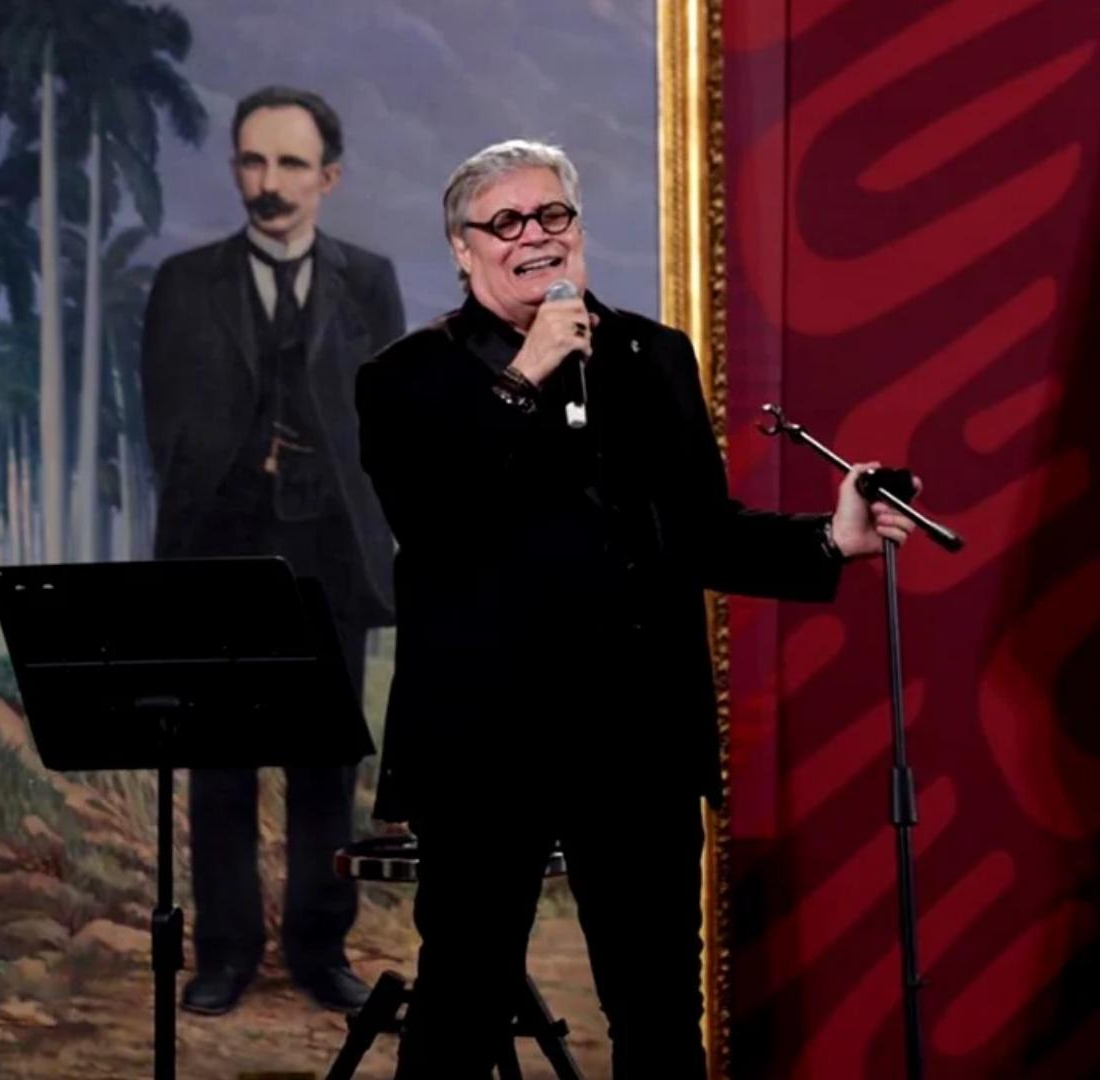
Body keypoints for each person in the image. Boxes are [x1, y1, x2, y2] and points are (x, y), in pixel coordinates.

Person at [355, 138, 917, 1078]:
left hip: (637, 735)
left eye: (554, 216)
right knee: (459, 1001)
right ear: (461, 248)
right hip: (485, 742)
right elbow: (430, 518)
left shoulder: (651, 357)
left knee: (658, 1011)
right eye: (506, 222)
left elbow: (700, 532)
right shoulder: (408, 378)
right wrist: (524, 374)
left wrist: (830, 539)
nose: (535, 236)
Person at [140, 85, 403, 1015]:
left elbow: (388, 426)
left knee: (324, 764)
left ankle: (319, 950)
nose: (269, 183)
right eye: (254, 161)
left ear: (328, 177)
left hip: (330, 557)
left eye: (291, 164)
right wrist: (244, 451)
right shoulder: (185, 285)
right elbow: (164, 429)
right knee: (221, 765)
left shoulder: (367, 281)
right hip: (219, 555)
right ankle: (224, 954)